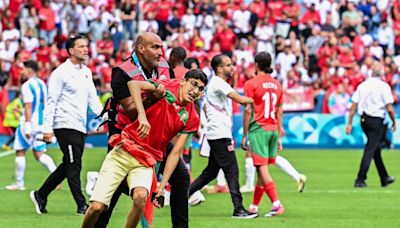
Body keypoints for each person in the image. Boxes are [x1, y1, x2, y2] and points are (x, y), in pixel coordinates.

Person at [82, 69, 208, 228]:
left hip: (147, 161)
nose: (195, 91)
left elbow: (175, 154)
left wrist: (161, 188)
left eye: (200, 89)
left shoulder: (192, 118)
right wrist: (141, 115)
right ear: (183, 81)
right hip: (125, 150)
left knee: (141, 198)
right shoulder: (166, 86)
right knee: (96, 208)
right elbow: (133, 84)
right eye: (194, 84)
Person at [95, 32, 190, 228]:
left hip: (155, 136)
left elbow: (171, 98)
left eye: (161, 47)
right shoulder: (122, 72)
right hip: (125, 135)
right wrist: (153, 96)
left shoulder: (164, 66)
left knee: (181, 177)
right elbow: (131, 111)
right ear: (141, 48)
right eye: (155, 47)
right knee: (111, 191)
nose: (160, 52)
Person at [29, 35, 104, 215]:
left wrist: (105, 116)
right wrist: (47, 128)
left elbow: (93, 100)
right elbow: (51, 101)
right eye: (81, 46)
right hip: (63, 124)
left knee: (68, 164)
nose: (85, 49)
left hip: (79, 126)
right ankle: (82, 205)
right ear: (71, 50)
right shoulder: (60, 73)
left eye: (86, 46)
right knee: (74, 164)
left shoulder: (86, 72)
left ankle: (41, 194)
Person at [188, 54, 257, 219]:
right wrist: (258, 100)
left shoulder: (217, 83)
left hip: (217, 133)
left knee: (210, 172)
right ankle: (238, 209)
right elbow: (239, 99)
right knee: (232, 170)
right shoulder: (218, 83)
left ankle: (181, 195)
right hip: (220, 134)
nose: (231, 67)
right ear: (219, 69)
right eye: (228, 65)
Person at [241, 51, 285, 217]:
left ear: (256, 65)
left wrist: (245, 135)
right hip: (273, 129)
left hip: (259, 129)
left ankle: (276, 203)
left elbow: (247, 110)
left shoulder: (251, 84)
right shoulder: (277, 85)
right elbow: (280, 113)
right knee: (262, 170)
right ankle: (254, 206)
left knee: (262, 167)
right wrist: (279, 135)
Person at [5, 61, 57, 191]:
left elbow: (28, 105)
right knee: (39, 153)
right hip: (41, 123)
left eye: (23, 69)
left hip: (28, 123)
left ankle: (19, 184)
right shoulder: (42, 84)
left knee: (20, 151)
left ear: (28, 70)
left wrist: (27, 125)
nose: (21, 71)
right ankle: (56, 177)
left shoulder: (27, 85)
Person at [345, 61, 396, 188]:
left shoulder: (363, 85)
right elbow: (389, 108)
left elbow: (353, 105)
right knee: (370, 149)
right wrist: (394, 122)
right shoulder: (384, 86)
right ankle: (360, 179)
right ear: (382, 73)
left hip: (364, 120)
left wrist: (349, 123)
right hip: (376, 120)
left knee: (375, 149)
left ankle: (384, 178)